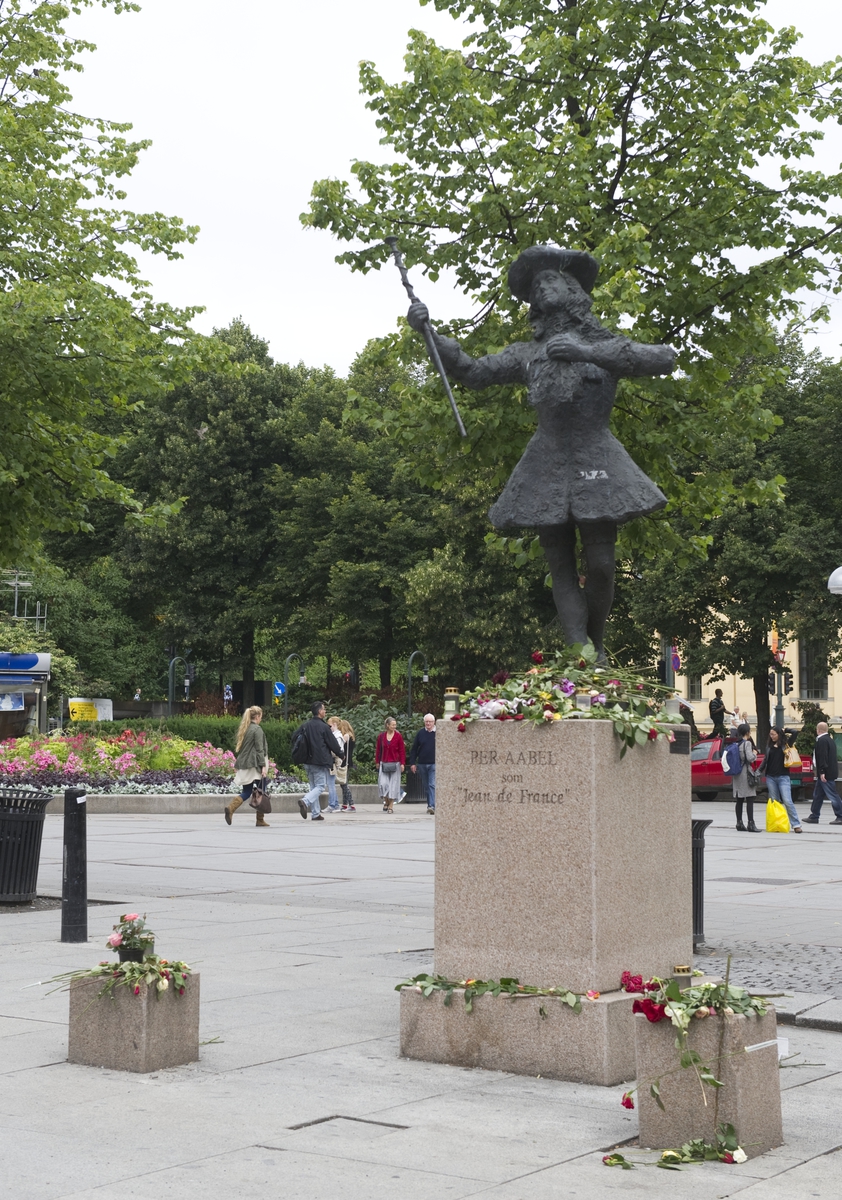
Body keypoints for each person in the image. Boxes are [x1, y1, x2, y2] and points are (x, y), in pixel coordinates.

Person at [407, 245, 675, 660]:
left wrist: (584, 352)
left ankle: (596, 643)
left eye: (550, 280)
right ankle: (579, 650)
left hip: (597, 459)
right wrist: (430, 334)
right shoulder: (526, 354)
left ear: (572, 291)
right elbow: (474, 371)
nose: (541, 287)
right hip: (545, 463)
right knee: (560, 566)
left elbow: (662, 358)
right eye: (535, 285)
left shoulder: (604, 344)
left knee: (602, 565)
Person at [295, 701, 342, 822]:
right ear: (320, 712)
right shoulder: (324, 727)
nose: (325, 711)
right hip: (319, 761)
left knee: (313, 787)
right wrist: (342, 755)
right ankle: (305, 801)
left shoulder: (305, 725)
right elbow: (333, 744)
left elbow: (295, 737)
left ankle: (315, 814)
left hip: (307, 761)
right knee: (320, 787)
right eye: (324, 709)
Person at [225, 705, 270, 827]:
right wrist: (263, 766)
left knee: (246, 791)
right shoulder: (257, 730)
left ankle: (231, 808)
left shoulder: (246, 728)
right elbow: (259, 749)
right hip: (255, 764)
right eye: (261, 716)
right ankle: (260, 820)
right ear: (258, 716)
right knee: (262, 791)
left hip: (245, 763)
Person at [764, 726, 802, 832]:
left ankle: (796, 824)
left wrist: (786, 730)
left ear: (779, 734)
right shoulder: (769, 746)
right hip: (770, 777)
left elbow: (795, 732)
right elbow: (765, 760)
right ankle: (777, 823)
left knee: (787, 800)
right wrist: (758, 771)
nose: (771, 737)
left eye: (774, 734)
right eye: (770, 734)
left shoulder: (786, 744)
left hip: (783, 776)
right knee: (774, 801)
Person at [804, 722, 842, 824]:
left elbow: (822, 757)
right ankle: (814, 816)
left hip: (825, 773)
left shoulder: (821, 741)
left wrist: (821, 771)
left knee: (833, 795)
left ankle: (840, 816)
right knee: (818, 794)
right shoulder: (830, 740)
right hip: (830, 771)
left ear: (818, 730)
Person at [376, 716, 406, 813]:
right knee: (383, 784)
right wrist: (377, 761)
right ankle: (386, 800)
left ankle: (391, 805)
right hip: (384, 763)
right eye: (392, 725)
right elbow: (378, 750)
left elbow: (402, 750)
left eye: (395, 725)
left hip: (395, 763)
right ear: (387, 725)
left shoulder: (398, 736)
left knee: (394, 785)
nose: (394, 726)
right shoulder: (381, 736)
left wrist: (402, 763)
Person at [733, 722, 758, 832]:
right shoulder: (746, 743)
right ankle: (751, 823)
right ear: (747, 732)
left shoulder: (736, 743)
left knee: (739, 799)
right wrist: (755, 754)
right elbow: (750, 757)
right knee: (750, 798)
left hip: (736, 773)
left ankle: (739, 822)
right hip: (745, 773)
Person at [409, 713, 436, 814]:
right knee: (426, 786)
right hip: (422, 764)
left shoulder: (439, 733)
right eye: (426, 722)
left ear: (434, 722)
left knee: (432, 784)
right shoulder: (420, 733)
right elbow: (414, 749)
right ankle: (430, 804)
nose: (428, 723)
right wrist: (412, 763)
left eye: (430, 722)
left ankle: (432, 805)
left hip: (434, 764)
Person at [335, 717, 356, 811]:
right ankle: (345, 804)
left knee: (344, 784)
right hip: (349, 762)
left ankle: (351, 804)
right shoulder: (352, 738)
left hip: (344, 762)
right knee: (343, 783)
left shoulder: (346, 737)